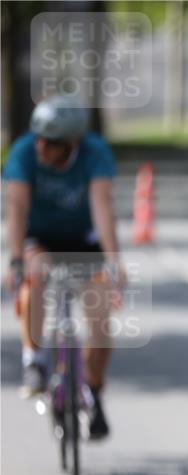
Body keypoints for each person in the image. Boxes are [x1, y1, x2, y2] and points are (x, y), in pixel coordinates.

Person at [3, 94, 121, 440]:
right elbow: (16, 207)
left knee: (101, 321)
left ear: (72, 144)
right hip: (40, 238)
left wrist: (113, 260)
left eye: (51, 143)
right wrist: (14, 259)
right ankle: (34, 358)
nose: (42, 147)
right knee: (35, 272)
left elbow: (101, 206)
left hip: (83, 240)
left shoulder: (94, 153)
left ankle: (94, 391)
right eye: (39, 138)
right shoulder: (24, 152)